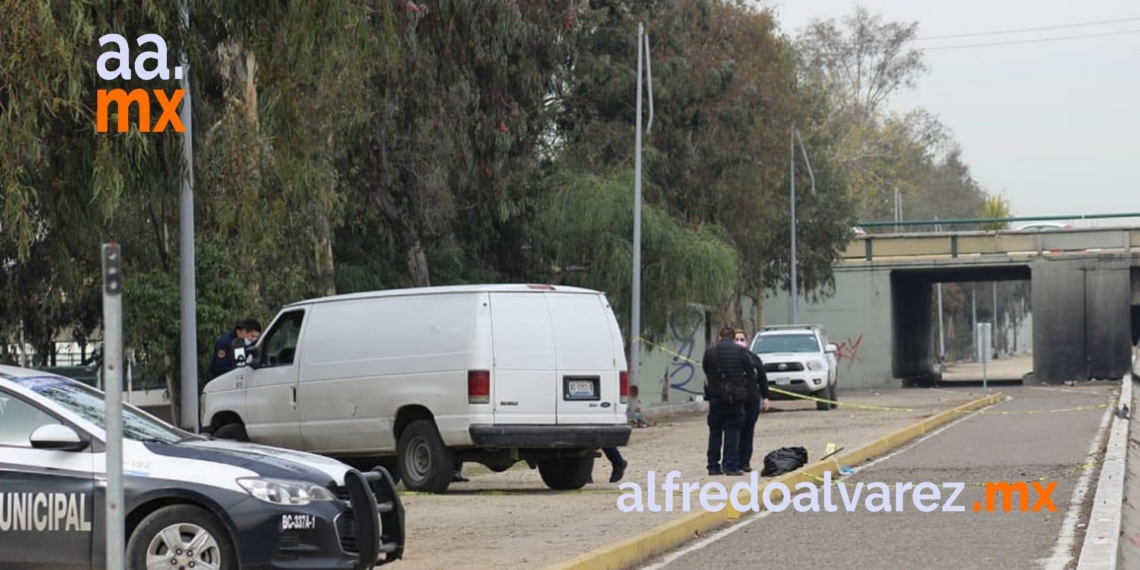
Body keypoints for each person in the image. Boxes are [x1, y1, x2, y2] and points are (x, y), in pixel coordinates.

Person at [701, 325, 756, 476]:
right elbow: (750, 370)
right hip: (735, 398)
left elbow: (705, 368)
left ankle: (713, 465)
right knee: (733, 431)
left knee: (715, 432)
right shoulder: (741, 351)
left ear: (720, 336)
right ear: (733, 338)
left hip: (716, 397)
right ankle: (730, 466)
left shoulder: (710, 352)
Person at [734, 329, 770, 473]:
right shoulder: (728, 359)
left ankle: (745, 462)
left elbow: (762, 378)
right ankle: (733, 461)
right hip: (735, 400)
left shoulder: (753, 358)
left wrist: (765, 397)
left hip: (752, 399)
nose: (739, 342)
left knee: (748, 431)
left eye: (742, 339)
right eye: (736, 339)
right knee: (736, 431)